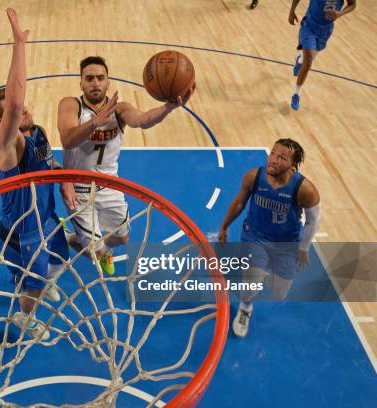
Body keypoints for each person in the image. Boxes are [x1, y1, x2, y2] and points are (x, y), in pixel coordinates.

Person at [57, 55, 193, 275]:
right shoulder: (71, 105)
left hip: (110, 185)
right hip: (78, 188)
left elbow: (143, 120)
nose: (95, 82)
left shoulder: (120, 109)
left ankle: (80, 240)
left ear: (108, 82)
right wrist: (95, 122)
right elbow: (67, 139)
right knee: (96, 252)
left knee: (122, 237)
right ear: (80, 82)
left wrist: (168, 108)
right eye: (89, 78)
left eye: (100, 78)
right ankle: (77, 240)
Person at [0, 8, 69, 341]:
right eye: (13, 111)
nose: (24, 109)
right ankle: (24, 317)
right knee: (31, 286)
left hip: (47, 218)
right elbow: (15, 104)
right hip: (23, 232)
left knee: (59, 259)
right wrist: (19, 44)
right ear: (2, 120)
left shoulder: (38, 132)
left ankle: (38, 283)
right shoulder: (6, 145)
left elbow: (50, 166)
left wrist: (63, 182)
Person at [218, 139, 321, 337]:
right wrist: (224, 226)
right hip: (255, 236)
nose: (273, 160)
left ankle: (263, 274)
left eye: (282, 157)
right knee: (250, 285)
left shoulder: (305, 189)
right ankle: (245, 309)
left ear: (293, 165)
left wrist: (304, 248)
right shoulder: (254, 176)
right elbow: (239, 203)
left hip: (285, 243)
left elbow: (314, 220)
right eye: (273, 153)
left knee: (280, 292)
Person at [289, 0, 356, 110]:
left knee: (309, 59)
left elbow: (353, 4)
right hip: (309, 25)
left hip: (325, 30)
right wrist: (292, 11)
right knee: (309, 61)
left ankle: (300, 60)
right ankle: (296, 93)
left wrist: (339, 14)